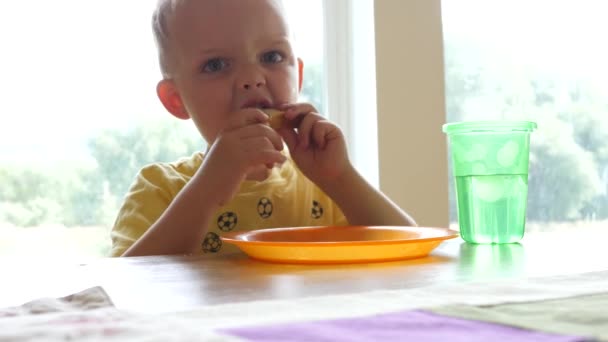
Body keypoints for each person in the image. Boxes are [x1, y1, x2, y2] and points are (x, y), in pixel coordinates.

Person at [110, 0, 416, 257]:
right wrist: (207, 190)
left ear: (297, 76)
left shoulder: (322, 186)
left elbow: (411, 253)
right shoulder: (158, 189)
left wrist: (340, 178)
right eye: (216, 65)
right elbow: (122, 293)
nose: (252, 77)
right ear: (176, 100)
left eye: (271, 57)